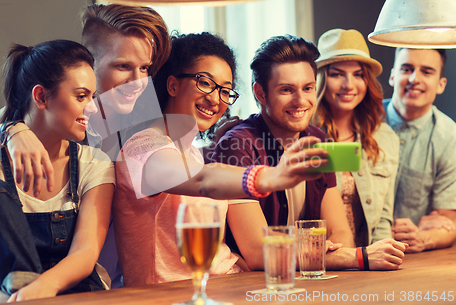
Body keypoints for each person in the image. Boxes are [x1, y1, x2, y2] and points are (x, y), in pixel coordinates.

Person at [0, 4, 172, 289]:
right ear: (88, 63)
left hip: (94, 281)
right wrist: (12, 130)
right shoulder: (49, 108)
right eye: (123, 66)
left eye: (145, 68)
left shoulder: (139, 123)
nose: (138, 81)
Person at [112, 32, 336, 286]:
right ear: (172, 85)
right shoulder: (142, 147)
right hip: (170, 296)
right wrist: (273, 175)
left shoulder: (192, 152)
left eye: (225, 90)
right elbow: (203, 180)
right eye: (205, 83)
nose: (215, 98)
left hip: (222, 287)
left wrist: (236, 263)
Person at [212, 34, 407, 271]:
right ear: (260, 93)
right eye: (286, 90)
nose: (300, 101)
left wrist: (324, 253)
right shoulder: (237, 145)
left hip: (310, 281)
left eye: (308, 88)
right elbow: (257, 253)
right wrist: (356, 257)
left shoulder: (317, 140)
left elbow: (341, 232)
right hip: (256, 289)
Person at [0, 40, 115, 304]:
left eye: (93, 97)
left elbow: (85, 252)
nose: (93, 108)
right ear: (41, 96)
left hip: (69, 294)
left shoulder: (93, 163)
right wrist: (8, 302)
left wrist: (40, 292)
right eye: (81, 96)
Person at [313, 28, 401, 248]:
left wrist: (379, 259)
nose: (348, 85)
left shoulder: (384, 138)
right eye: (337, 74)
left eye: (358, 74)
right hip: (318, 260)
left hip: (367, 261)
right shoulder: (305, 137)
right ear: (321, 79)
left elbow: (383, 220)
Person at [384, 47, 456, 253]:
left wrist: (420, 237)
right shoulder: (362, 122)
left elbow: (448, 221)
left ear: (441, 84)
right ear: (392, 76)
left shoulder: (451, 138)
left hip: (410, 259)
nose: (414, 79)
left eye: (427, 71)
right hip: (358, 249)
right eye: (406, 69)